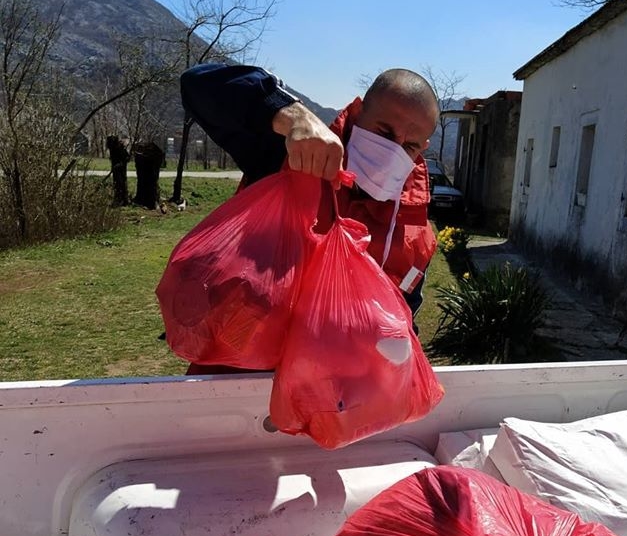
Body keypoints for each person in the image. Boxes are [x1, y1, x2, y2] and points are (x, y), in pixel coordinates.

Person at [178, 63, 440, 373]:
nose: (392, 149)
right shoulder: (293, 154)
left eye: (409, 145)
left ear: (423, 148)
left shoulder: (415, 235)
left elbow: (404, 323)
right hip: (238, 380)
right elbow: (198, 86)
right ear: (359, 114)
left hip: (330, 401)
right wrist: (289, 114)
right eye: (383, 132)